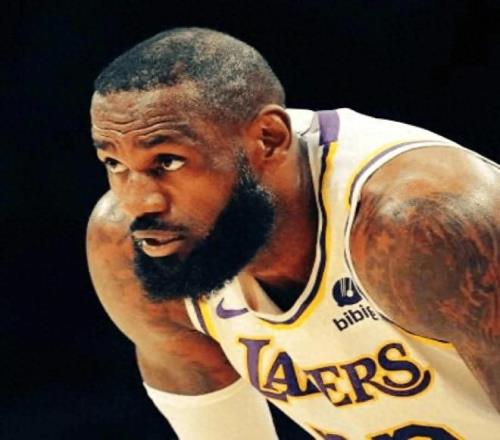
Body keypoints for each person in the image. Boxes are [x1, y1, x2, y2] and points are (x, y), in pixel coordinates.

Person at [87, 27, 500, 439]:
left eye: (169, 161)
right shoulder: (130, 247)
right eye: (114, 164)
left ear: (269, 139)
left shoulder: (424, 223)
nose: (139, 203)